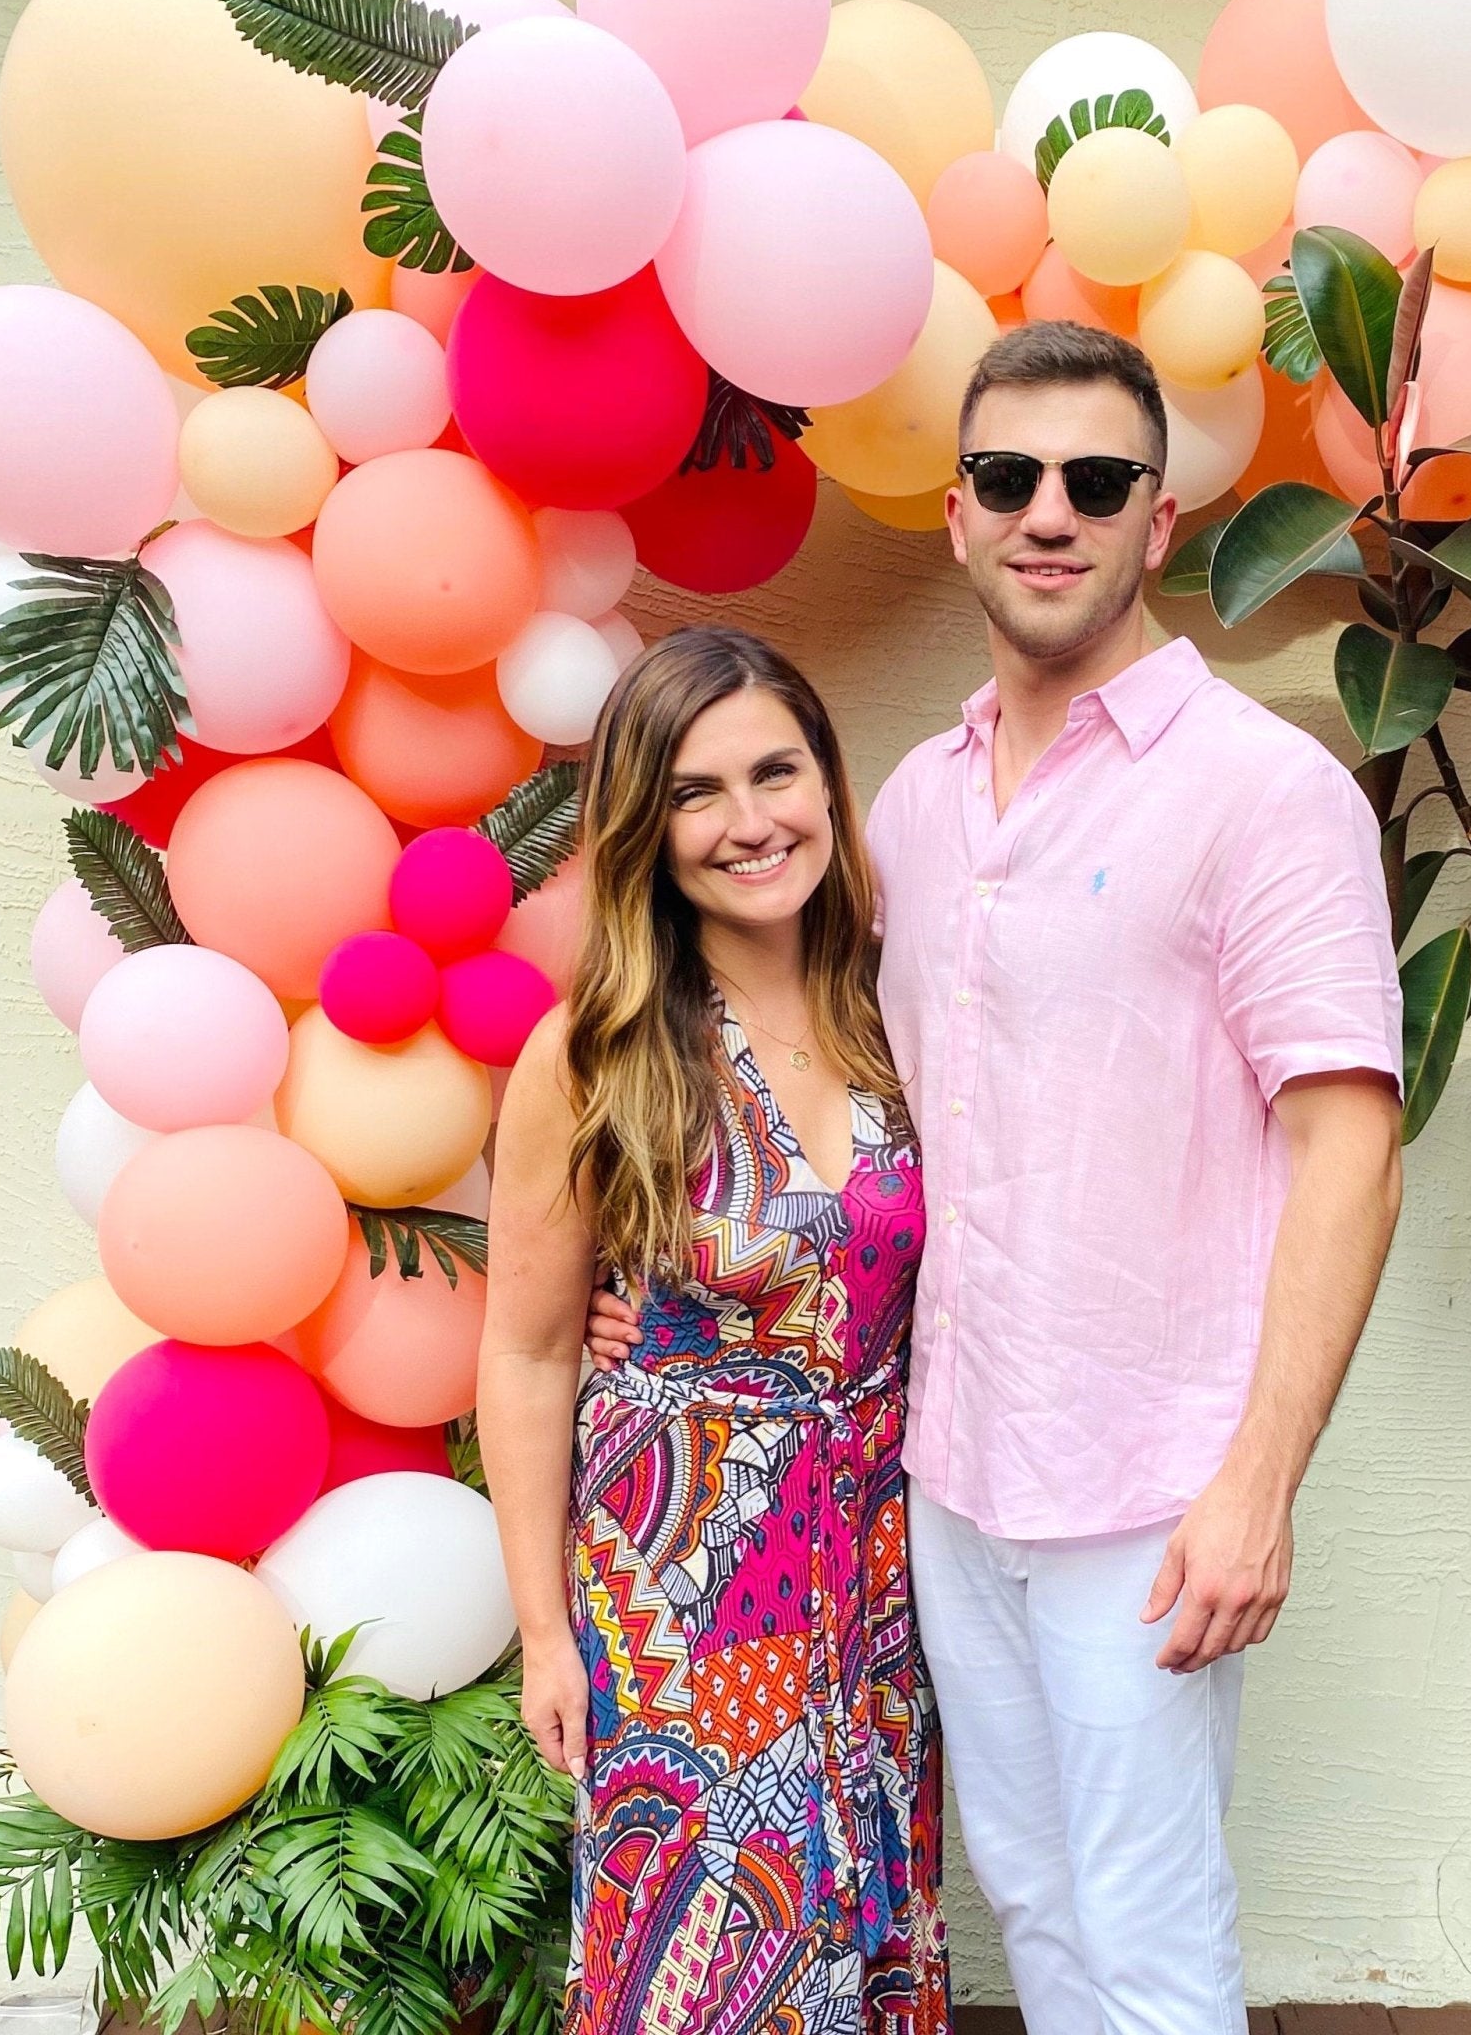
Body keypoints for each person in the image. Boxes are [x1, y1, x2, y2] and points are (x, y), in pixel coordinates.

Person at [588, 321, 1406, 2035]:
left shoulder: (1266, 795)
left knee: (1150, 1929)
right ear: (956, 511)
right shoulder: (915, 805)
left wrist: (1257, 1480)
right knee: (1029, 1908)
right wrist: (663, 1308)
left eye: (1095, 481)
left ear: (1155, 522)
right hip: (946, 1480)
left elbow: (1348, 1148)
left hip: (1148, 1490)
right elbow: (835, 1103)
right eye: (1012, 478)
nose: (1052, 513)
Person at [477, 627, 950, 2035]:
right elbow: (526, 1346)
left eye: (775, 773)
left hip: (875, 1564)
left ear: (826, 780)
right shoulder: (598, 1050)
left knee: (872, 1915)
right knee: (703, 1940)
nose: (750, 823)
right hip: (678, 1582)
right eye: (696, 792)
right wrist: (545, 1635)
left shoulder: (900, 1002)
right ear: (645, 827)